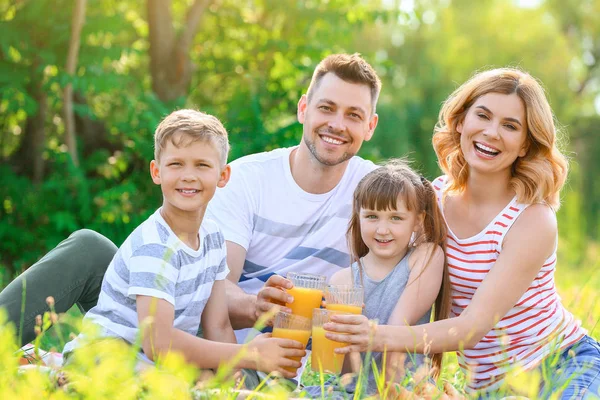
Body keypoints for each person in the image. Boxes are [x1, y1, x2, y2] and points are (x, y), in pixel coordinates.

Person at [0, 53, 382, 350]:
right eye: (326, 108)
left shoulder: (377, 194)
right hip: (193, 325)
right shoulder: (248, 179)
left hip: (261, 358)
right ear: (303, 109)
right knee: (89, 248)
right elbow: (216, 284)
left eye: (353, 115)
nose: (337, 125)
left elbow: (438, 209)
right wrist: (254, 307)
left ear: (370, 126)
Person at [323, 68, 600, 398]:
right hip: (485, 389)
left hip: (560, 366)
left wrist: (376, 335)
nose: (491, 132)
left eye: (510, 126)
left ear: (525, 145)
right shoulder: (433, 201)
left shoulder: (532, 219)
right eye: (482, 115)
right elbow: (389, 271)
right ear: (460, 122)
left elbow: (470, 328)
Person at [62, 109, 305, 377]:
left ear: (223, 176)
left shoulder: (212, 237)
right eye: (176, 164)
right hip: (106, 351)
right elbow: (158, 344)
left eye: (202, 165)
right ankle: (55, 373)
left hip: (155, 360)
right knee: (169, 387)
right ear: (157, 171)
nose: (188, 175)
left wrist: (235, 385)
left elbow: (219, 326)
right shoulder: (155, 244)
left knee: (208, 382)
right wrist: (249, 354)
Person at [305, 159, 451, 396]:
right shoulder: (342, 280)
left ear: (417, 221)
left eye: (396, 218)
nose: (383, 229)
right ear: (358, 217)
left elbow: (397, 329)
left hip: (407, 389)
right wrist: (319, 333)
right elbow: (343, 369)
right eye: (372, 216)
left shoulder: (426, 256)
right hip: (351, 391)